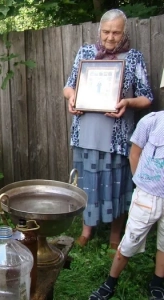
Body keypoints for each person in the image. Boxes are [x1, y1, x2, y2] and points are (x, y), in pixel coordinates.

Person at [63, 9, 153, 250]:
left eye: (116, 32)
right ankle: (86, 230)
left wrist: (128, 102)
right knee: (88, 183)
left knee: (118, 184)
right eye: (106, 32)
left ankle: (115, 236)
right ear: (99, 30)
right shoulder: (85, 53)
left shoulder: (134, 57)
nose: (110, 37)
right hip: (85, 134)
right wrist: (72, 99)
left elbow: (147, 98)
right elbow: (69, 87)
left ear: (124, 32)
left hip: (118, 138)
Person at [89, 110, 164, 300]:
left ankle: (157, 283)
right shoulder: (151, 122)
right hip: (147, 196)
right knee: (131, 239)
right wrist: (141, 183)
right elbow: (134, 154)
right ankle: (109, 283)